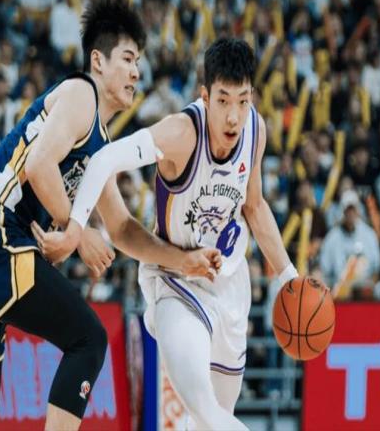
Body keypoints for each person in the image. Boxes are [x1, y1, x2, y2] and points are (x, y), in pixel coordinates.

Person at [0, 0, 220, 431]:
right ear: (98, 61)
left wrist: (183, 260)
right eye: (127, 58)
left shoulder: (102, 144)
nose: (136, 71)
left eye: (138, 62)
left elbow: (122, 229)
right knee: (88, 338)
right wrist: (78, 231)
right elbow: (39, 165)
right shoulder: (81, 94)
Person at [34, 38, 300, 430]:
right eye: (223, 101)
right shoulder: (181, 133)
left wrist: (289, 276)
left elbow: (255, 206)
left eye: (243, 101)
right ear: (205, 96)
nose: (233, 116)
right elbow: (104, 159)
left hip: (229, 286)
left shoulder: (255, 130)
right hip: (175, 282)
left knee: (213, 421)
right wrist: (76, 229)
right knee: (206, 410)